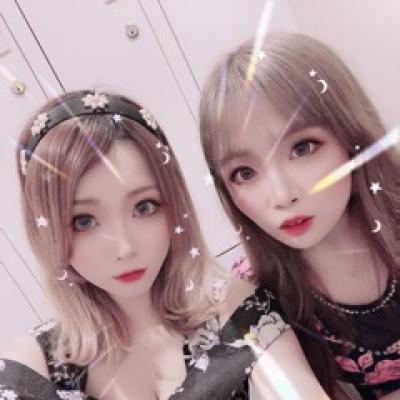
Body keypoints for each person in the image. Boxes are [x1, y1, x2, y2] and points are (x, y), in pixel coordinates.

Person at [0, 90, 325, 400]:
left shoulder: (235, 310)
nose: (125, 248)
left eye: (144, 207)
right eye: (83, 221)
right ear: (47, 230)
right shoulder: (30, 370)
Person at [199, 32, 400, 399]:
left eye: (303, 148)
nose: (281, 196)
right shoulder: (254, 294)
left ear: (351, 136)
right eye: (244, 173)